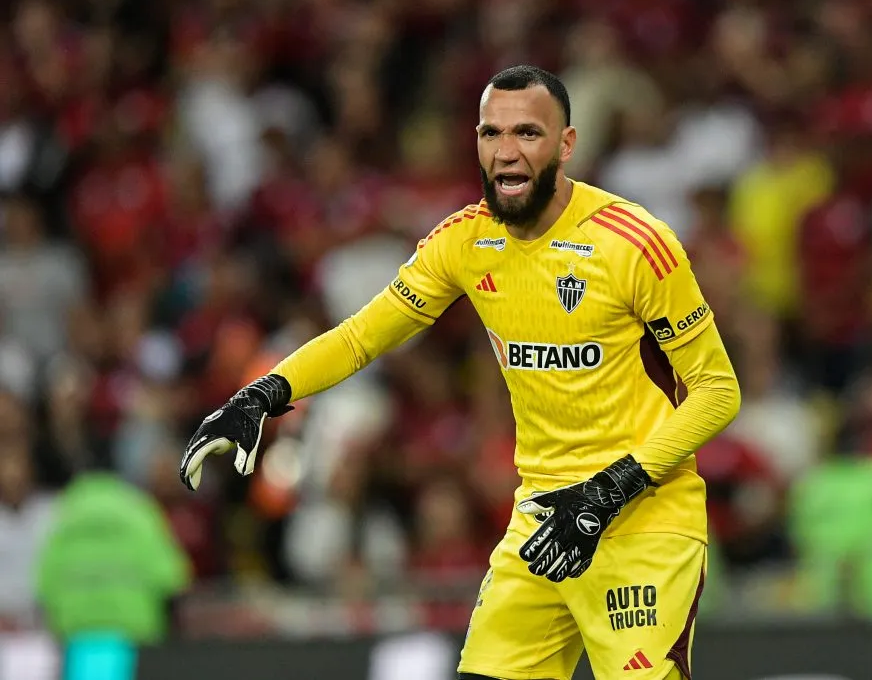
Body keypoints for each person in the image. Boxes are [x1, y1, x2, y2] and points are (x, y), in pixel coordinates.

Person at [180, 65, 740, 680]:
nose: (506, 152)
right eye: (490, 133)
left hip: (643, 521)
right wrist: (267, 390)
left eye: (527, 133)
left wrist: (607, 493)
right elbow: (362, 337)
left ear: (567, 144)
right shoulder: (464, 241)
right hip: (543, 520)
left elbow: (718, 391)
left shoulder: (634, 243)